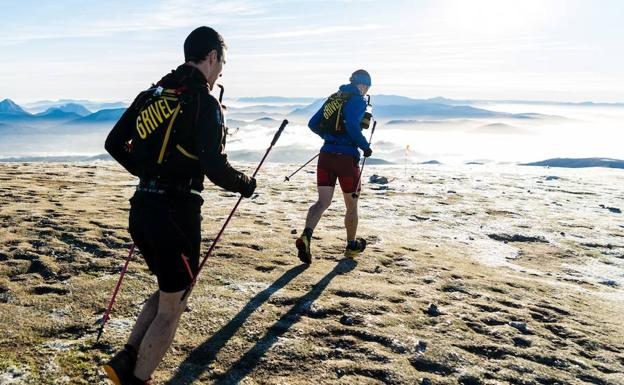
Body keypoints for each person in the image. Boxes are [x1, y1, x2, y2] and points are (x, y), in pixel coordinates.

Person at [102, 26, 256, 385]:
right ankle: (137, 379)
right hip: (177, 214)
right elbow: (214, 166)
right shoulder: (204, 101)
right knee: (175, 304)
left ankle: (126, 359)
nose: (222, 71)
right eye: (223, 62)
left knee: (167, 289)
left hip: (141, 208)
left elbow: (113, 142)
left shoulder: (151, 94)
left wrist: (147, 172)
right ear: (213, 56)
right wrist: (245, 184)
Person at [296, 70, 373, 264]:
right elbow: (352, 126)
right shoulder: (358, 100)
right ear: (362, 85)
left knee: (322, 202)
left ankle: (306, 235)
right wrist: (365, 146)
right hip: (346, 158)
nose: (366, 91)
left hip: (326, 156)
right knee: (351, 205)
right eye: (367, 87)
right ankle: (351, 246)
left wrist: (329, 138)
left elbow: (313, 123)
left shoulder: (334, 98)